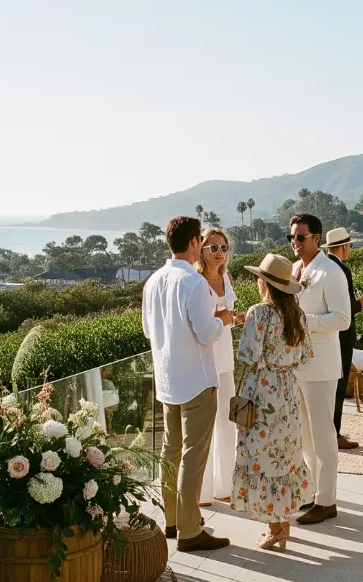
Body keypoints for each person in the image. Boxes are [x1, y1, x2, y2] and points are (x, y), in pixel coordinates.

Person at [141, 216, 232, 551]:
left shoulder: (152, 282)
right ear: (194, 242)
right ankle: (191, 532)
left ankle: (172, 521)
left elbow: (150, 332)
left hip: (167, 380)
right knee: (194, 455)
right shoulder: (193, 284)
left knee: (171, 451)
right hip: (196, 379)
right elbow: (207, 333)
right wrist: (222, 318)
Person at [231, 253, 315, 551]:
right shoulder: (298, 314)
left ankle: (275, 527)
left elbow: (247, 356)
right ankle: (282, 524)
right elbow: (305, 357)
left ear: (265, 283)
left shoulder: (259, 313)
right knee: (285, 455)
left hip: (262, 391)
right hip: (288, 391)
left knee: (264, 458)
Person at [287, 213, 352, 525]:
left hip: (322, 364)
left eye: (300, 237)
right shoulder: (296, 269)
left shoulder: (331, 271)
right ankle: (312, 492)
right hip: (298, 364)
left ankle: (327, 501)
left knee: (324, 435)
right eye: (292, 237)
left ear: (316, 237)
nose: (295, 243)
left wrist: (303, 322)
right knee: (306, 436)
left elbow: (343, 319)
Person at [194, 228, 245, 507]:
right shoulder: (196, 281)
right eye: (213, 247)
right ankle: (200, 491)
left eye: (223, 247)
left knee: (227, 422)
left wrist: (237, 318)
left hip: (225, 358)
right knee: (204, 426)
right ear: (201, 250)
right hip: (203, 360)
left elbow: (227, 318)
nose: (219, 252)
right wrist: (221, 317)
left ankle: (225, 484)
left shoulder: (227, 277)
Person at [321, 228, 363, 451]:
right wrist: (361, 304)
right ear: (343, 247)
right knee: (339, 385)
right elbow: (345, 309)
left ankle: (329, 429)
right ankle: (335, 432)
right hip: (342, 336)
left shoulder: (322, 267)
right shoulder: (341, 270)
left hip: (327, 336)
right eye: (349, 246)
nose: (350, 249)